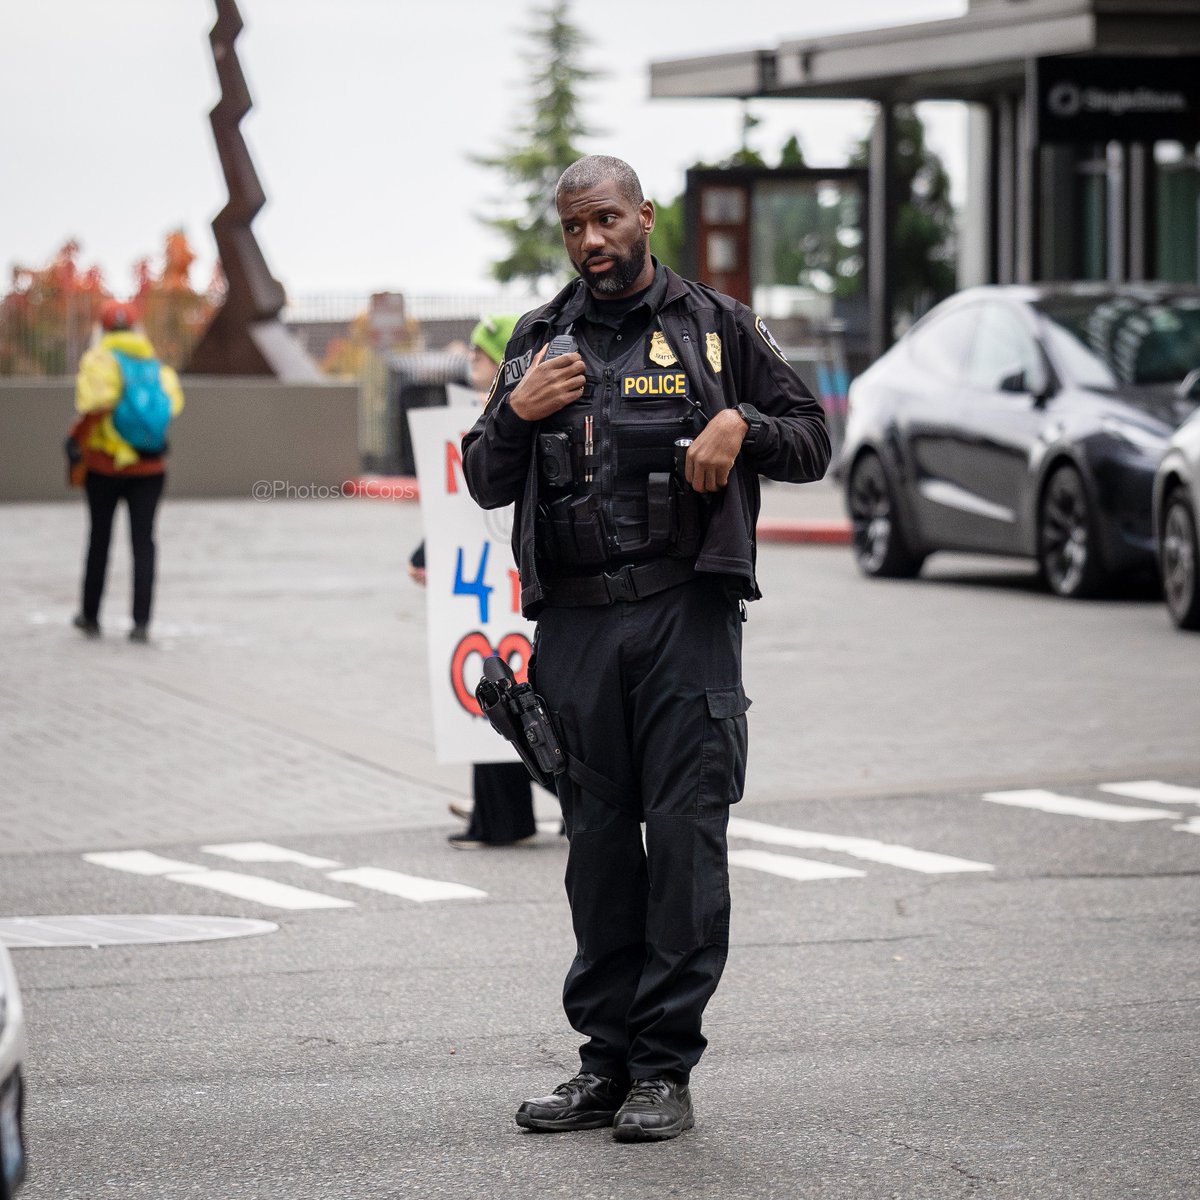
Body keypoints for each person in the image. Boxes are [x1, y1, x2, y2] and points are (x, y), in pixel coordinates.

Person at [461, 155, 831, 1142]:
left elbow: (810, 437)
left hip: (682, 622)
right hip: (576, 627)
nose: (592, 241)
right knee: (595, 854)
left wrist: (738, 428)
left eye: (608, 219)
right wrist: (516, 409)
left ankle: (664, 1070)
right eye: (576, 225)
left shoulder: (714, 326)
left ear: (645, 218)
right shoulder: (542, 340)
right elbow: (485, 477)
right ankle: (604, 1065)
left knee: (681, 845)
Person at [409, 315, 541, 849]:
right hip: (498, 588)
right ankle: (500, 811)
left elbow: (466, 507)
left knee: (506, 692)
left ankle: (515, 811)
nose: (472, 368)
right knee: (497, 689)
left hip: (511, 588)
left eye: (480, 358)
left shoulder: (503, 418)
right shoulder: (486, 420)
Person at [71, 298, 184, 643]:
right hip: (150, 467)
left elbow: (92, 404)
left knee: (100, 539)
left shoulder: (98, 360)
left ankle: (90, 617)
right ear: (135, 329)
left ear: (103, 329)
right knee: (144, 542)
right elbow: (174, 405)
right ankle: (141, 623)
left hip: (105, 466)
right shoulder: (155, 366)